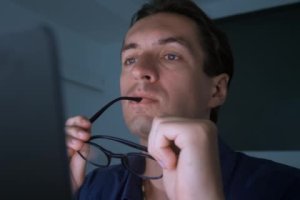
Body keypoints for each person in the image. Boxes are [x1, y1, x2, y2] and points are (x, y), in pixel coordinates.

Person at [65, 0, 300, 199]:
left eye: (170, 55)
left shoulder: (287, 188)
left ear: (216, 90)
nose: (140, 70)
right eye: (130, 59)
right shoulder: (93, 187)